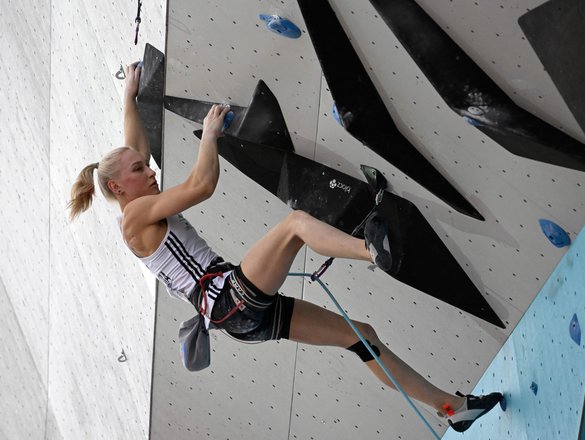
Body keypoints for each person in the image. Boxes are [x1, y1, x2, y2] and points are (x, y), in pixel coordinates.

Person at [68, 62, 501, 433]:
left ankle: (452, 409)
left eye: (145, 166)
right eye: (140, 170)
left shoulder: (134, 198)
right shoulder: (134, 218)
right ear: (116, 186)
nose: (149, 171)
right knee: (294, 224)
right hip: (226, 299)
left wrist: (130, 94)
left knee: (360, 336)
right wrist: (210, 136)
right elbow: (202, 185)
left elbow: (134, 143)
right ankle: (374, 252)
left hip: (236, 316)